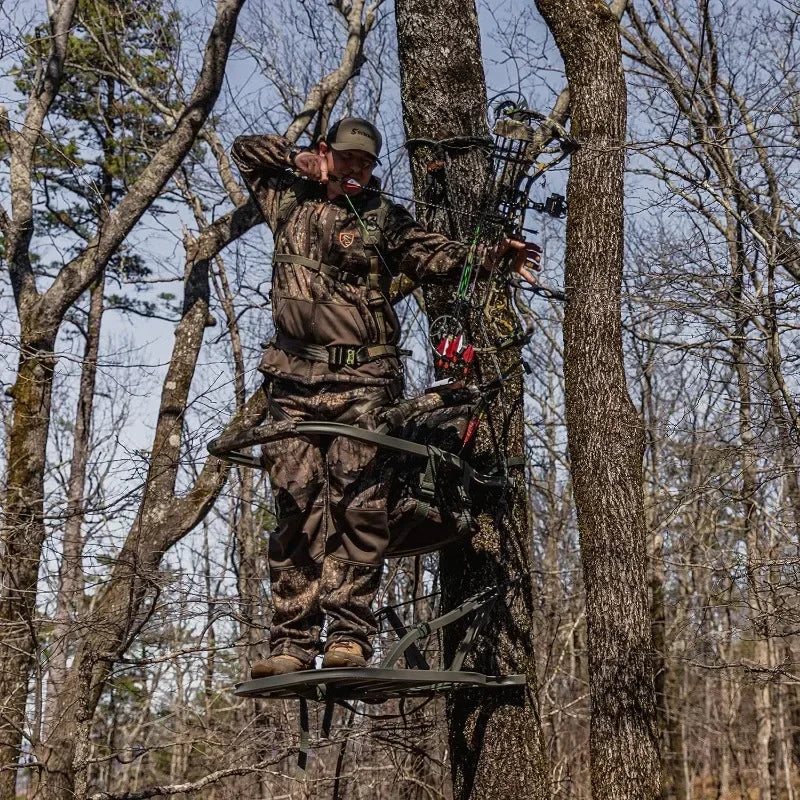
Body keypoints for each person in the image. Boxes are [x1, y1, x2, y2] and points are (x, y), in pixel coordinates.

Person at [231, 117, 539, 677]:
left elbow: (435, 253)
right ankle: (291, 644)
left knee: (359, 506)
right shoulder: (286, 201)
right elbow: (246, 151)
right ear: (328, 154)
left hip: (363, 385)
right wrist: (297, 157)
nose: (355, 168)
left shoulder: (381, 219)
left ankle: (349, 637)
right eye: (346, 158)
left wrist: (492, 256)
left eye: (365, 162)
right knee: (297, 510)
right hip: (293, 385)